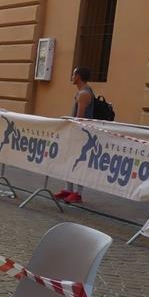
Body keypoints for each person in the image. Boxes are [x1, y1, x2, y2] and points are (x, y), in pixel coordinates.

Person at [55, 66, 96, 204]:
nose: (72, 77)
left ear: (78, 76)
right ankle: (68, 189)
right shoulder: (81, 92)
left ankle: (78, 193)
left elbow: (80, 117)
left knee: (79, 161)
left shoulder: (84, 94)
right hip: (77, 133)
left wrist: (71, 127)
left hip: (81, 135)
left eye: (73, 74)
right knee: (70, 159)